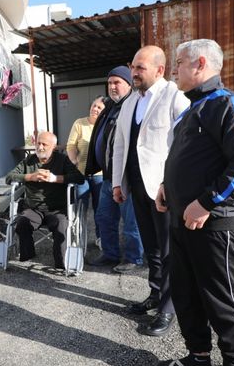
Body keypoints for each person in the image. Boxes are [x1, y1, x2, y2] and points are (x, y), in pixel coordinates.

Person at [156, 39, 234, 366]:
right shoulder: (193, 109)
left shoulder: (227, 104)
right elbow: (189, 158)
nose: (174, 70)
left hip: (214, 225)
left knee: (222, 300)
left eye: (179, 63)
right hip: (182, 221)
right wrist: (166, 185)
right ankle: (198, 356)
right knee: (187, 295)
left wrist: (206, 202)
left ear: (200, 64)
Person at [112, 46, 189, 336]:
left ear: (160, 69)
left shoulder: (174, 96)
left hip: (162, 189)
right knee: (152, 249)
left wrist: (169, 184)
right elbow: (121, 143)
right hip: (136, 185)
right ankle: (156, 294)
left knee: (170, 251)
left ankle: (168, 308)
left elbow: (183, 145)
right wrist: (118, 182)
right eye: (133, 66)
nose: (133, 72)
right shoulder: (131, 100)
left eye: (140, 67)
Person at [85, 66, 144, 274]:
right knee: (104, 218)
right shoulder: (110, 107)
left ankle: (134, 258)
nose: (112, 86)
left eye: (117, 82)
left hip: (127, 177)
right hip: (108, 177)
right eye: (109, 83)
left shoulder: (134, 105)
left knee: (131, 222)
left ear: (128, 84)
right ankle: (110, 254)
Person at [5, 131, 84, 269]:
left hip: (57, 208)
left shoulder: (62, 160)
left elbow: (79, 178)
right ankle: (28, 255)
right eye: (38, 143)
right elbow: (9, 177)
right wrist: (30, 177)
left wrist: (55, 178)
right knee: (22, 223)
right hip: (33, 208)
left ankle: (61, 263)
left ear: (53, 146)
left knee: (61, 227)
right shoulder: (29, 160)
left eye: (44, 144)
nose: (40, 147)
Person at [65, 96, 105, 242]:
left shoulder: (105, 125)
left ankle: (101, 238)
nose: (95, 109)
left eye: (99, 108)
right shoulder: (79, 123)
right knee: (80, 208)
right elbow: (70, 145)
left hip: (100, 175)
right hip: (81, 174)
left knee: (100, 210)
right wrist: (74, 160)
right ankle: (79, 238)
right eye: (94, 105)